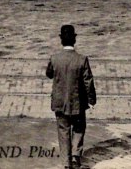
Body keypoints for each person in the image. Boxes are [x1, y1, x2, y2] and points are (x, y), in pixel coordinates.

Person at [46, 25, 96, 169]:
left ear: (61, 40)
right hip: (77, 103)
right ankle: (76, 155)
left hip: (60, 103)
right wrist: (91, 99)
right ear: (74, 39)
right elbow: (88, 81)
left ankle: (66, 163)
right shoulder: (82, 59)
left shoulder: (54, 58)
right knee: (79, 127)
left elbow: (49, 74)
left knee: (63, 131)